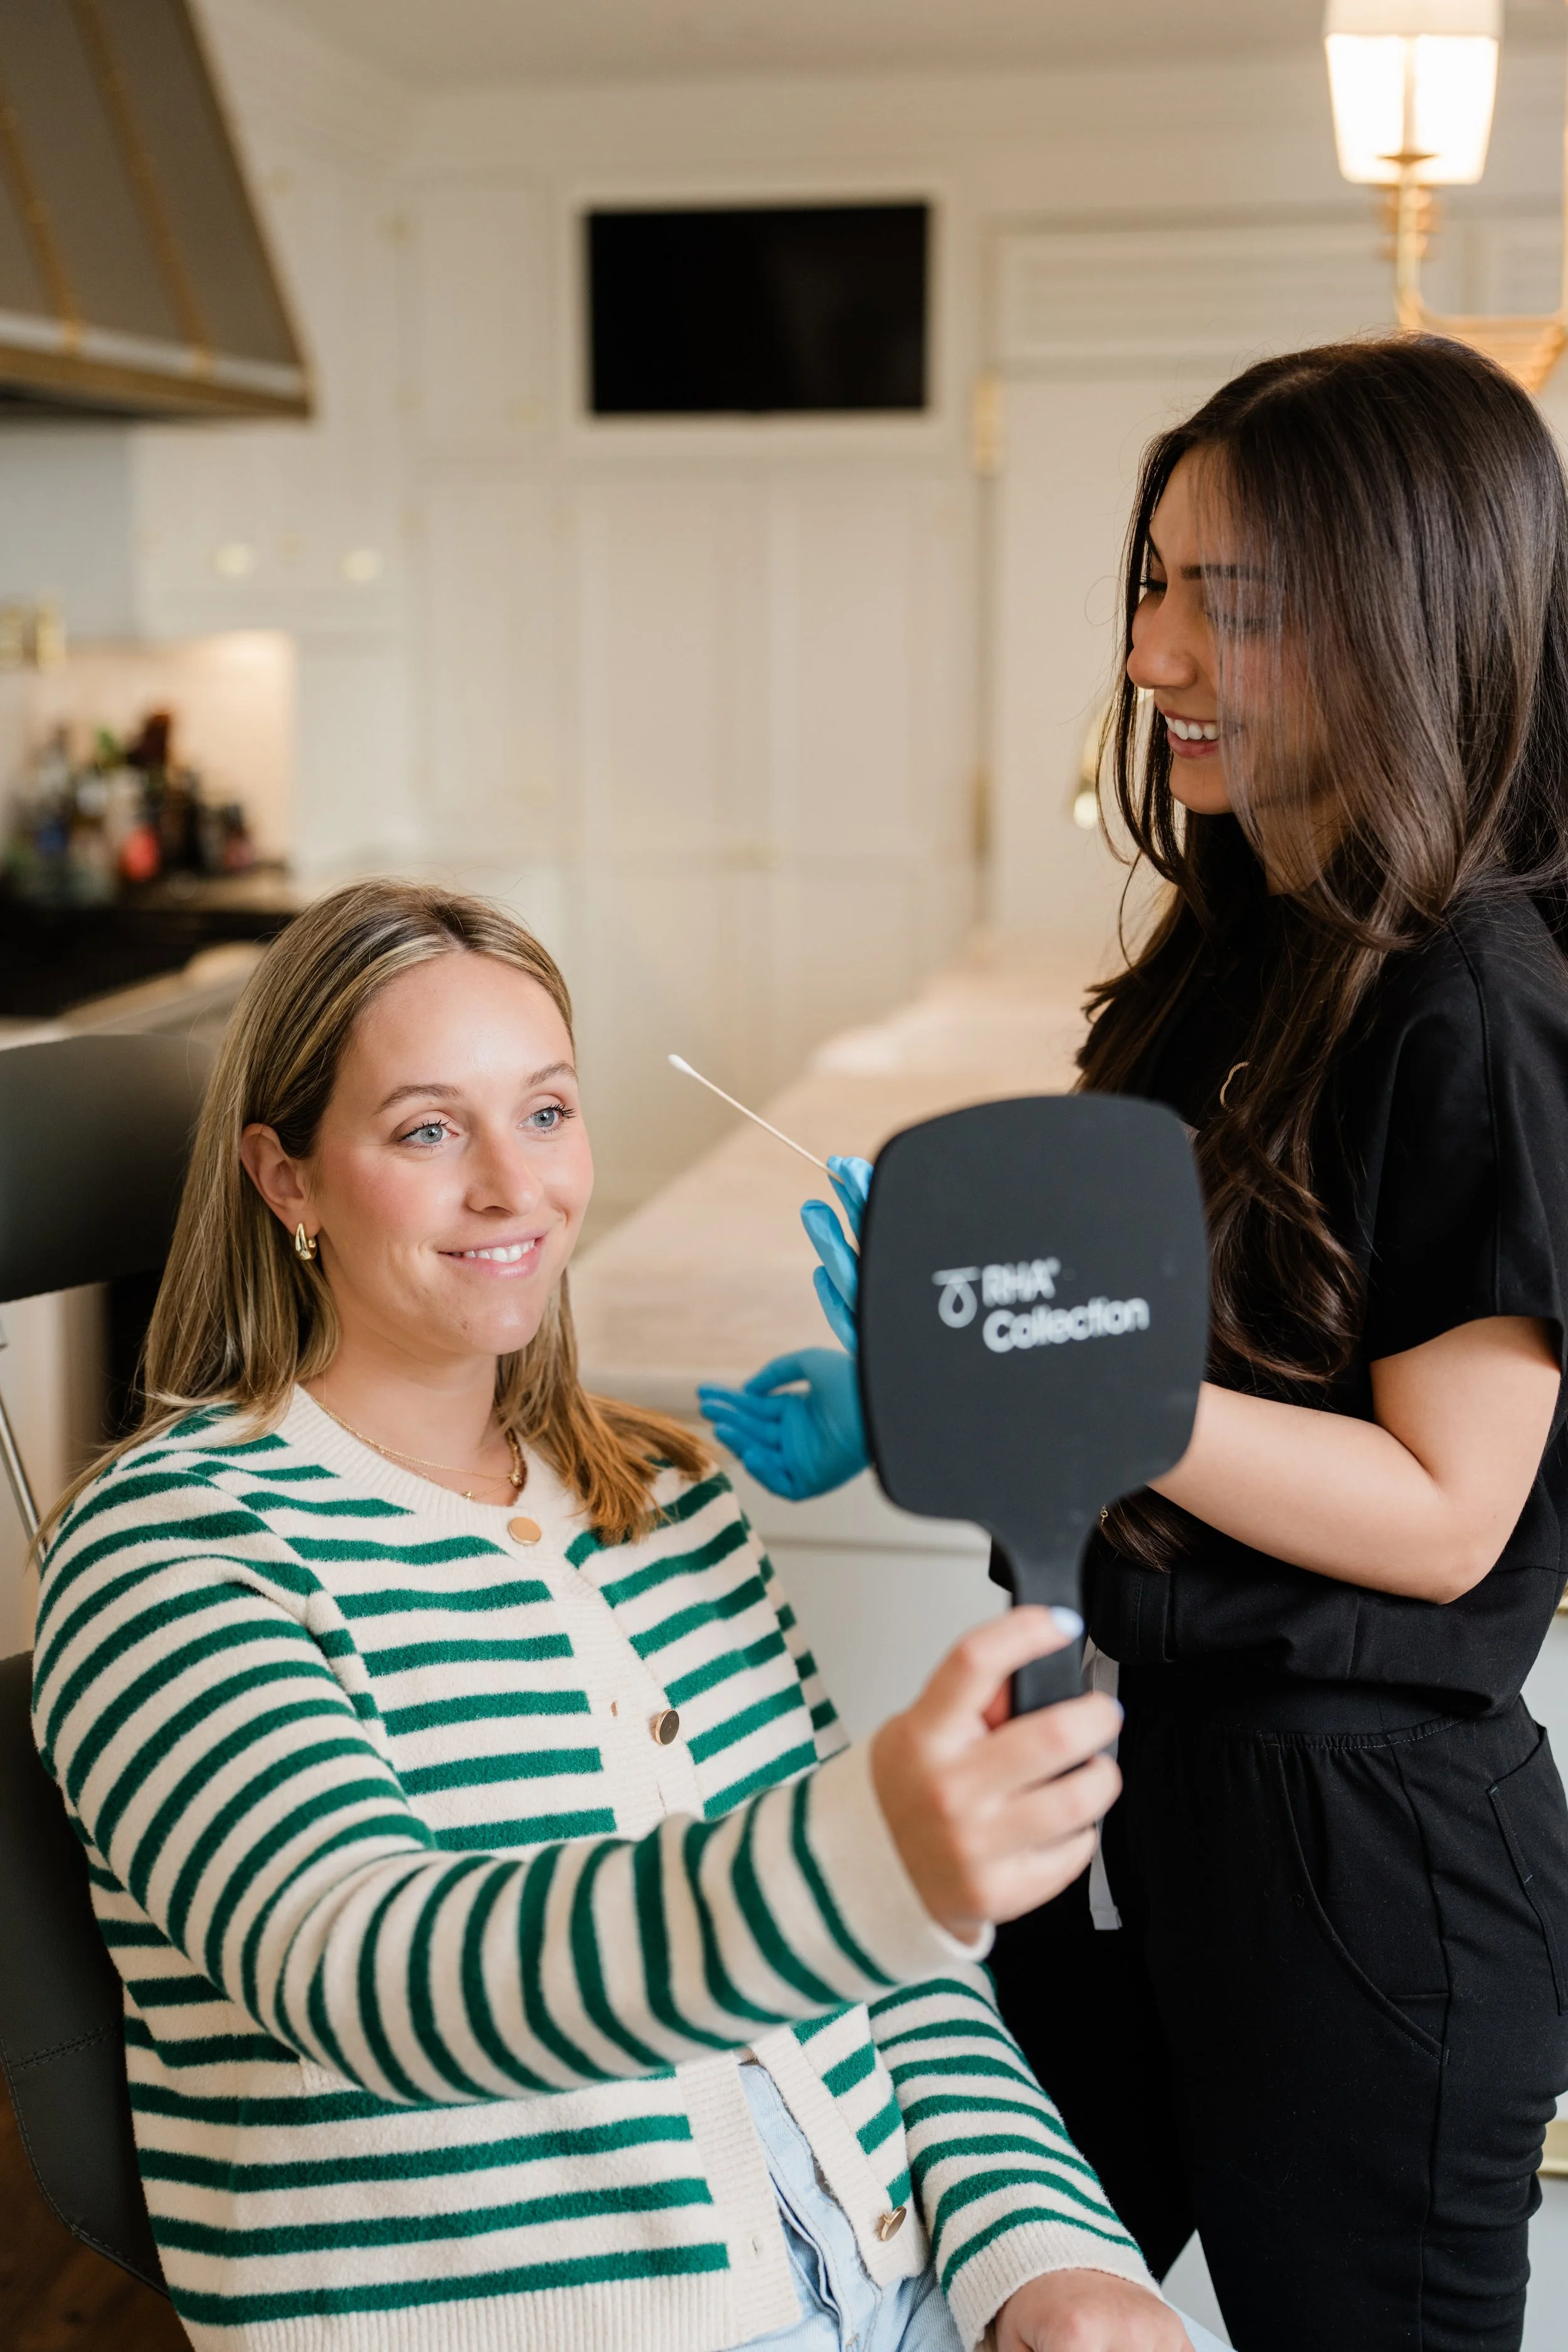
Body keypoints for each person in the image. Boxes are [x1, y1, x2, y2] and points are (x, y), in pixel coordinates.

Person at [701, 335, 1568, 2352]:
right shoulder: (1237, 947)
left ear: (1406, 617)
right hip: (1119, 1786)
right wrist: (934, 1379)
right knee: (994, 2300)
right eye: (1148, 582)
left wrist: (1070, 1378)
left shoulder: (1482, 1005)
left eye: (1220, 599)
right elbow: (1203, 1375)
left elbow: (1447, 1516)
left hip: (1360, 1863)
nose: (1148, 650)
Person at [32, 878, 1212, 2352]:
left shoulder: (660, 1497)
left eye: (544, 1112)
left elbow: (890, 1971)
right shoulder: (176, 1552)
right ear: (288, 1181)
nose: (513, 1188)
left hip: (893, 2287)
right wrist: (863, 1858)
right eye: (424, 1129)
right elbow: (368, 1978)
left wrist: (1050, 2253)